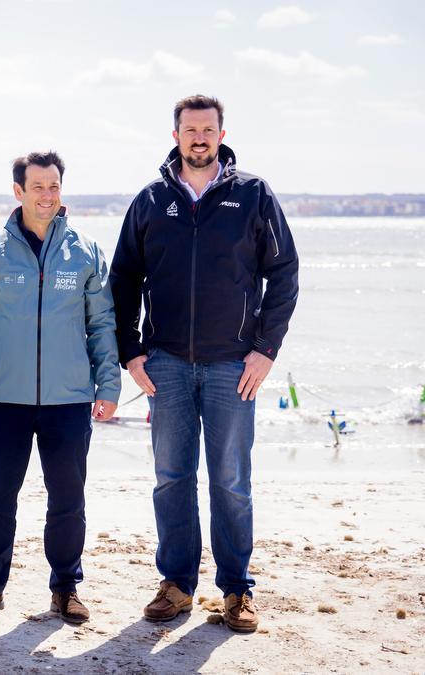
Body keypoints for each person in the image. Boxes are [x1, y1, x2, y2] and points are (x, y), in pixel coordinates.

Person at [108, 95, 299, 633]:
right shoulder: (150, 200)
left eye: (207, 129)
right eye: (189, 129)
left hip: (233, 367)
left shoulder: (253, 195)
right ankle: (176, 584)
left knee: (231, 480)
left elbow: (283, 274)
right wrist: (130, 351)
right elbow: (122, 279)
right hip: (164, 363)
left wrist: (265, 351)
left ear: (221, 133)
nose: (198, 138)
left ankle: (237, 591)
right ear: (175, 135)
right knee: (171, 478)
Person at [0, 152, 120, 624]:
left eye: (54, 186)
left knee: (67, 498)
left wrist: (108, 383)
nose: (47, 195)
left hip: (69, 398)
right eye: (38, 186)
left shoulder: (85, 251)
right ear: (18, 192)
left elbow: (101, 324)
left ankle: (65, 587)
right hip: (5, 396)